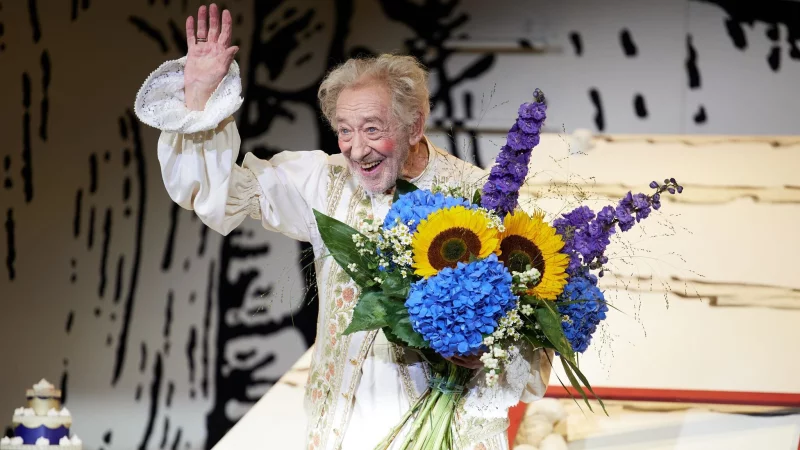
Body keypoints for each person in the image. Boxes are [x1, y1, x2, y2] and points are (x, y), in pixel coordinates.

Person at [134, 4, 552, 450]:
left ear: (415, 125)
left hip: (439, 434)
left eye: (372, 129)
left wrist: (485, 355)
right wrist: (200, 99)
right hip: (340, 432)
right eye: (344, 131)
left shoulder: (478, 198)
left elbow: (529, 334)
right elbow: (221, 192)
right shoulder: (323, 181)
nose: (356, 150)